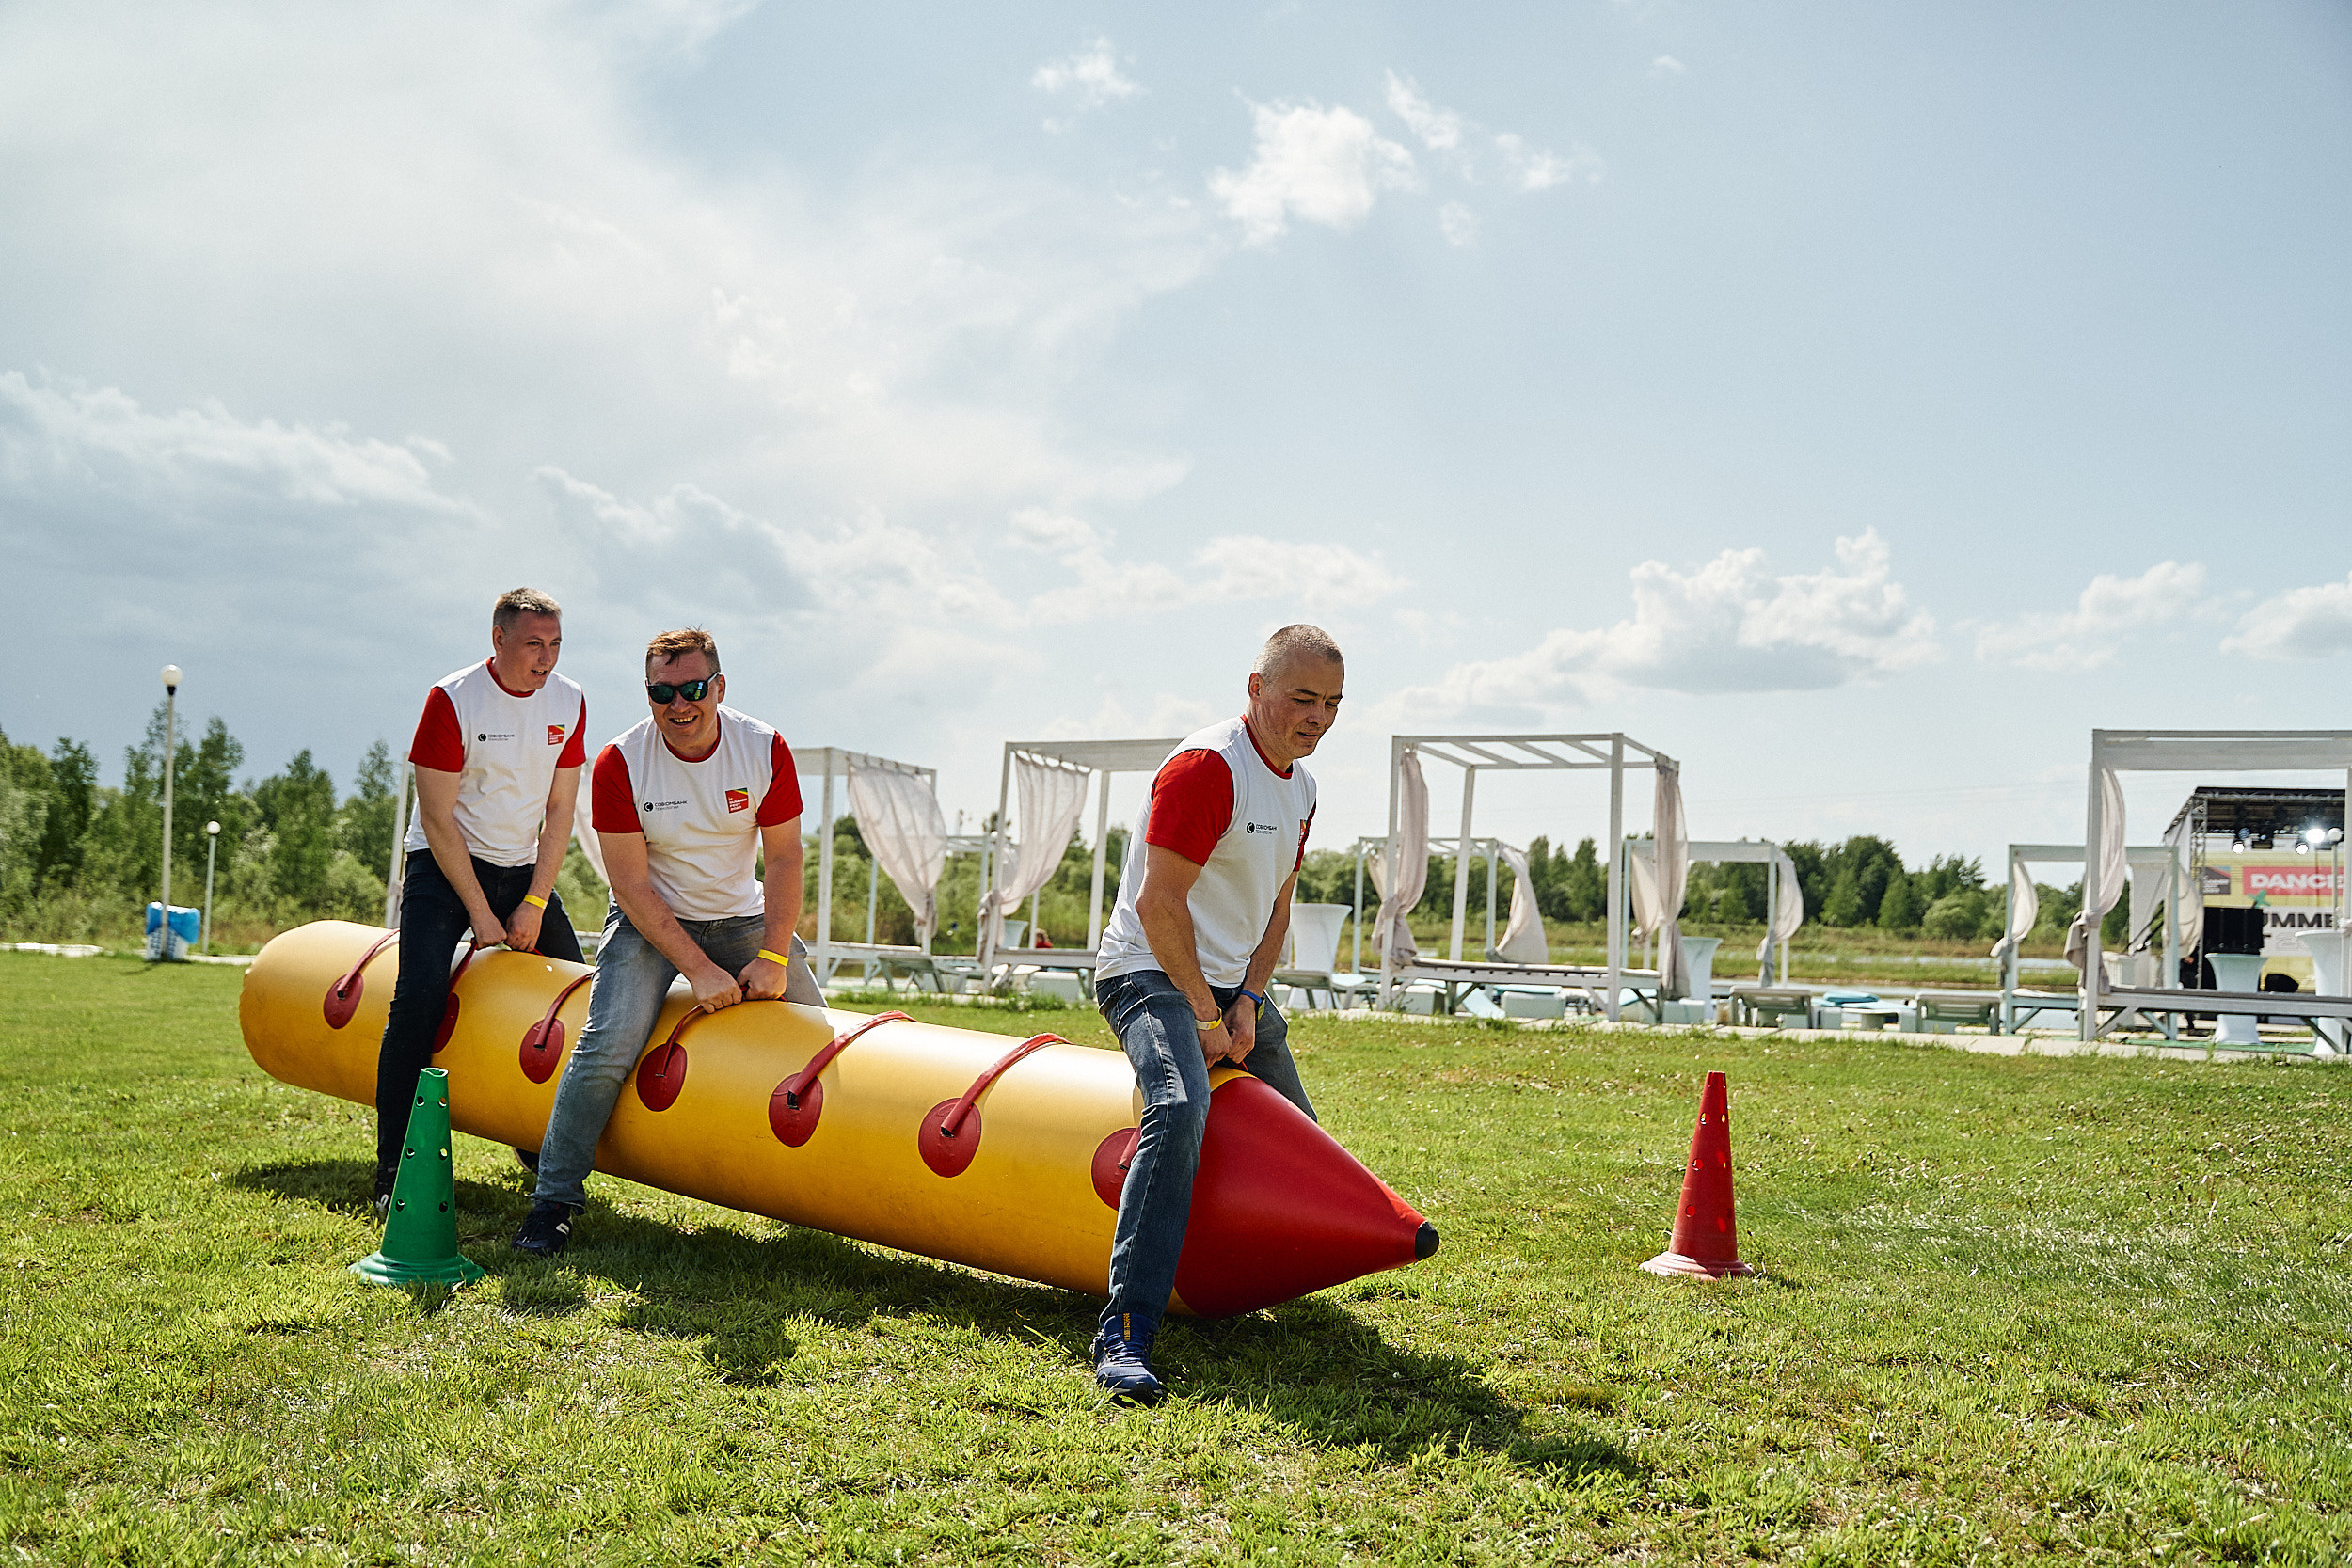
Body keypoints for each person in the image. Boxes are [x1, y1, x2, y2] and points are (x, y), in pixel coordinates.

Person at [1085, 623, 1343, 1402]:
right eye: (1303, 698)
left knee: (1300, 1143)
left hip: (1232, 988)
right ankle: (1125, 1329)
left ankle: (1243, 1286)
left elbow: (1277, 908)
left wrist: (1251, 1002)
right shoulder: (1207, 767)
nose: (1318, 718)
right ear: (1256, 688)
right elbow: (1157, 907)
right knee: (1178, 1101)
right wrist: (1204, 1013)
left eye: (1333, 704)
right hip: (1148, 972)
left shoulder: (1301, 786)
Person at [512, 627, 822, 1255]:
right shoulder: (620, 761)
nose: (679, 704)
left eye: (693, 688)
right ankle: (553, 1202)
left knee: (819, 1044)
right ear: (648, 693)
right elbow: (628, 883)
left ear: (719, 686)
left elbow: (786, 860)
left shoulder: (764, 747)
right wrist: (698, 969)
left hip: (743, 916)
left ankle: (827, 1190)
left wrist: (771, 955)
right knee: (607, 1045)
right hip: (650, 920)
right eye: (662, 692)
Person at [375, 587, 586, 1215]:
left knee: (577, 1001)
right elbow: (438, 818)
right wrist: (484, 915)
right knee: (417, 1000)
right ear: (498, 640)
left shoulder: (569, 701)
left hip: (522, 869)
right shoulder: (453, 699)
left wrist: (534, 901)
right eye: (532, 645)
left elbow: (560, 810)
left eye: (554, 645)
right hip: (443, 866)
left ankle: (537, 1143)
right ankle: (393, 1169)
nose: (544, 659)